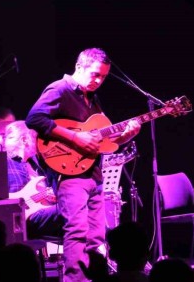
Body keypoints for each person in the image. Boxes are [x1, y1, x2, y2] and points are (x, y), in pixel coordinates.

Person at [25, 47, 141, 282]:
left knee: (95, 235)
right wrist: (75, 138)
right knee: (77, 230)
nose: (99, 81)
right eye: (95, 74)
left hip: (93, 174)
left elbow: (101, 142)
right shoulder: (60, 89)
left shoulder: (92, 98)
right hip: (69, 175)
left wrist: (125, 137)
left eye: (104, 77)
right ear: (79, 67)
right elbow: (34, 118)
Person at [3, 120, 65, 238]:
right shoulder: (6, 163)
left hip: (40, 213)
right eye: (35, 138)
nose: (39, 142)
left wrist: (51, 197)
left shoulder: (35, 164)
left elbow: (39, 198)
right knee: (72, 207)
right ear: (24, 140)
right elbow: (3, 200)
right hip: (23, 219)